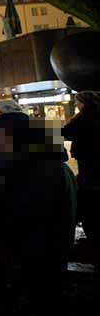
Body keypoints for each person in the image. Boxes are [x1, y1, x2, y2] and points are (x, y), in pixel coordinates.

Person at [0, 101, 77, 316]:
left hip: (21, 190)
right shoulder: (42, 126)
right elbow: (62, 153)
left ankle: (31, 312)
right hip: (58, 183)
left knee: (27, 251)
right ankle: (57, 314)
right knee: (55, 244)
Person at [62, 91, 100, 239]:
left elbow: (67, 132)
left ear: (84, 103)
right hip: (94, 157)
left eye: (77, 102)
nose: (76, 105)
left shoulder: (83, 117)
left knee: (89, 189)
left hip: (88, 158)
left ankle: (93, 228)